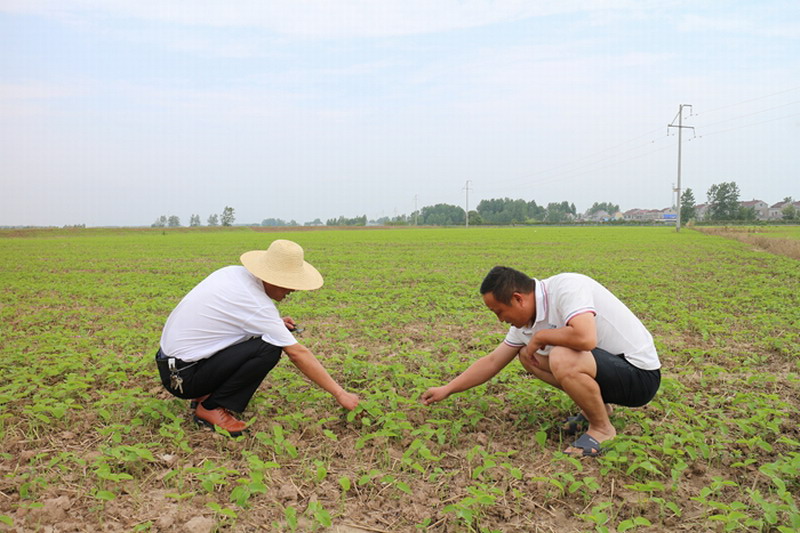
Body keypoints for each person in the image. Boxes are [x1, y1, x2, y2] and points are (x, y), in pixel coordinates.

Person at [421, 266, 661, 456]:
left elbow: (586, 338)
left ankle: (602, 429)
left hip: (639, 376)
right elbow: (493, 361)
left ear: (518, 299)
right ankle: (598, 409)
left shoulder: (566, 287)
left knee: (561, 355)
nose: (500, 320)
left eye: (499, 312)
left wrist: (542, 336)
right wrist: (447, 389)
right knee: (528, 356)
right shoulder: (525, 324)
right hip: (610, 373)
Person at [156, 239, 359, 436]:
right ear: (271, 278)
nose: (293, 289)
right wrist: (340, 394)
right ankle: (211, 407)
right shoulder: (256, 304)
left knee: (264, 337)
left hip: (173, 366)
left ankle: (204, 395)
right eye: (289, 283)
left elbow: (231, 320)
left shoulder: (233, 274)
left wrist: (274, 324)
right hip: (183, 379)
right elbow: (298, 353)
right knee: (269, 348)